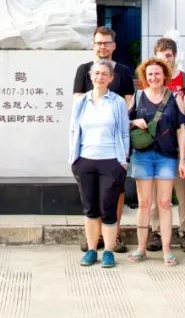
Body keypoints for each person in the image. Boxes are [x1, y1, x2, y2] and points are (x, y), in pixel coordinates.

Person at [71, 26, 135, 253]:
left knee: (114, 193)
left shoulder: (124, 72)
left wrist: (116, 123)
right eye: (99, 42)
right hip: (89, 147)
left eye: (107, 42)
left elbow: (130, 103)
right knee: (90, 197)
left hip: (114, 143)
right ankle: (93, 238)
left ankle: (114, 235)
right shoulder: (84, 70)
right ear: (93, 45)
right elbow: (78, 107)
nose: (103, 46)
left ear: (114, 45)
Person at [127, 57, 185, 266]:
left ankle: (166, 250)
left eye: (157, 73)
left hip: (167, 156)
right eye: (150, 74)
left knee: (164, 203)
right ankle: (141, 248)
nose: (153, 77)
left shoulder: (174, 98)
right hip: (142, 155)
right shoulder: (137, 96)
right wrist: (134, 121)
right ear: (144, 76)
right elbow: (124, 123)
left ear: (165, 76)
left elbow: (182, 130)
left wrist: (182, 159)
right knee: (144, 204)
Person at [150, 36, 185, 253]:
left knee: (184, 192)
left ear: (175, 56)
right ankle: (156, 231)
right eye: (160, 58)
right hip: (157, 147)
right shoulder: (152, 80)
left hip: (182, 148)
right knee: (156, 194)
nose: (165, 61)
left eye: (168, 56)